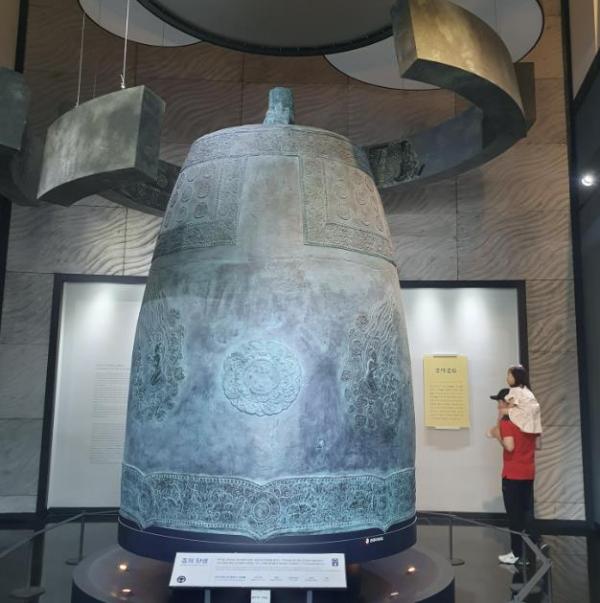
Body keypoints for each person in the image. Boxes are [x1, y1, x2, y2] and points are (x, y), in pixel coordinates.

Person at [487, 389, 538, 565]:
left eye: (500, 402)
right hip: (528, 472)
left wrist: (497, 435)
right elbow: (539, 444)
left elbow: (509, 446)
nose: (498, 406)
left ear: (508, 403)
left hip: (512, 474)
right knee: (526, 514)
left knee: (514, 516)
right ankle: (531, 552)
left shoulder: (508, 423)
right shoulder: (529, 421)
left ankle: (517, 554)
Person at [505, 364, 542, 435]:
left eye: (509, 376)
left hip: (524, 417)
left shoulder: (515, 390)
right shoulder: (526, 390)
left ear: (516, 377)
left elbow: (511, 406)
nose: (507, 378)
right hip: (533, 419)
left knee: (503, 411)